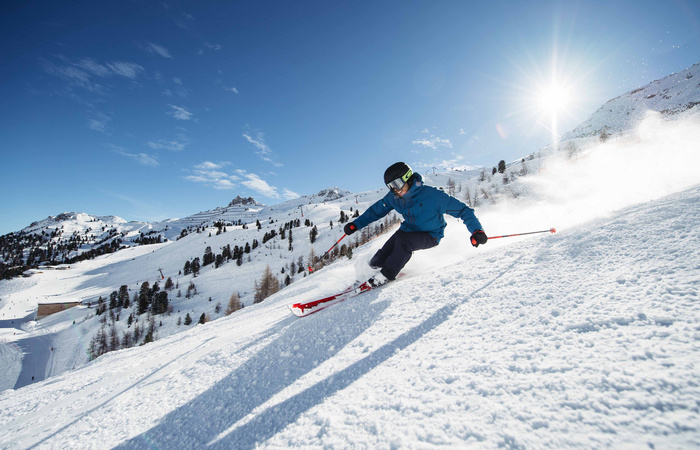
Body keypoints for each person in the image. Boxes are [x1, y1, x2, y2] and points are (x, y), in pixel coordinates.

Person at [344, 162, 487, 286]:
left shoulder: (433, 196)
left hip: (430, 235)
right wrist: (356, 224)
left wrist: (477, 231)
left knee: (403, 242)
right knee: (380, 257)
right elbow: (376, 211)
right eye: (390, 186)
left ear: (408, 178)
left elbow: (464, 211)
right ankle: (369, 273)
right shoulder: (395, 197)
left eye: (397, 184)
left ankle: (386, 275)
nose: (395, 190)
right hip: (408, 230)